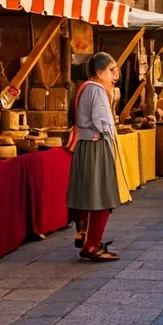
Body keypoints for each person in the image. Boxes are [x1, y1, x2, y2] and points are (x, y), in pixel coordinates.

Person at [66, 52, 122, 261]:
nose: (115, 74)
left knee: (88, 195)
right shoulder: (97, 90)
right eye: (111, 70)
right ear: (99, 72)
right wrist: (109, 136)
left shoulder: (84, 87)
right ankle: (92, 245)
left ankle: (85, 235)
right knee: (102, 196)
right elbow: (102, 121)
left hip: (84, 145)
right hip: (95, 146)